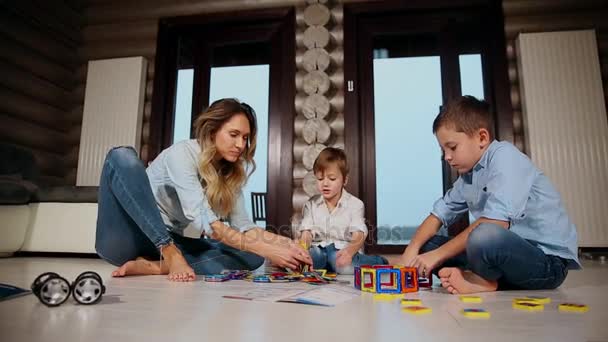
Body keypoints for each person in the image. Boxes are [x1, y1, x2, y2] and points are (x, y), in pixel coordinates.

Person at [95, 98, 312, 282]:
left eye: (245, 138)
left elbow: (244, 228)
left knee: (253, 256)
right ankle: (169, 255)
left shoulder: (230, 173)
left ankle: (156, 266)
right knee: (122, 156)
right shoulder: (182, 154)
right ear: (212, 130)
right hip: (129, 237)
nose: (240, 144)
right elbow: (209, 224)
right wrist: (268, 250)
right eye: (234, 134)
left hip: (172, 242)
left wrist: (286, 245)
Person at [398, 95, 580, 294]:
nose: (447, 157)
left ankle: (480, 280)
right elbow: (438, 215)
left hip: (546, 263)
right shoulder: (468, 177)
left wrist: (437, 256)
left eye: (452, 147)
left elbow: (495, 224)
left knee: (484, 234)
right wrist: (411, 250)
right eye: (442, 150)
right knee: (428, 244)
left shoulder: (505, 157)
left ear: (482, 138)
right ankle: (480, 278)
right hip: (501, 256)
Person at [297, 147, 388, 274]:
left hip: (342, 251)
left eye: (332, 179)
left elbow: (359, 234)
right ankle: (322, 264)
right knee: (311, 257)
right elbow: (306, 233)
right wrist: (303, 251)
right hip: (320, 250)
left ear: (344, 180)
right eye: (320, 179)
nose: (325, 184)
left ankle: (378, 261)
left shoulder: (355, 204)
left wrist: (349, 252)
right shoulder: (311, 204)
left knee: (341, 264)